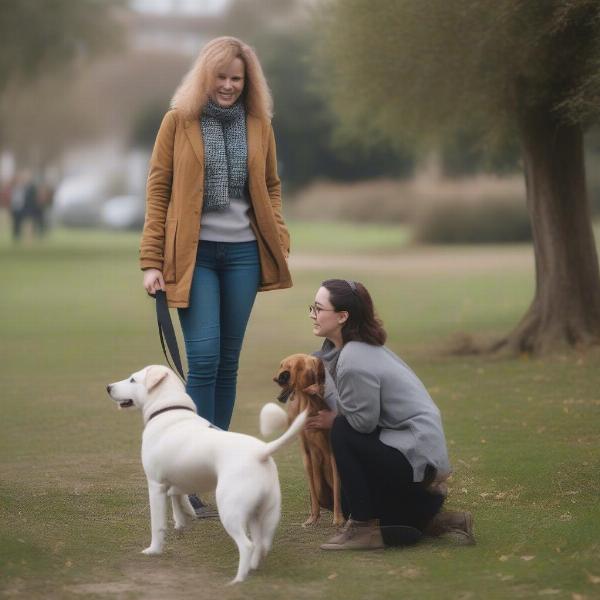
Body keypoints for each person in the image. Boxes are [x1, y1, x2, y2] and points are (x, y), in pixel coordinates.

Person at [140, 36, 291, 433]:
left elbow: (272, 185)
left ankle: (219, 457)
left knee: (228, 360)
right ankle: (193, 454)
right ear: (205, 78)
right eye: (220, 77)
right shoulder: (177, 121)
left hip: (244, 255)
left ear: (248, 82)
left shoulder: (260, 125)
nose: (228, 85)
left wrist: (280, 232)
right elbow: (158, 190)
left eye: (237, 79)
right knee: (204, 357)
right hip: (194, 257)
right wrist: (151, 261)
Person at [306, 279, 474, 550]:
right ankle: (437, 518)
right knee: (350, 503)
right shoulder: (354, 348)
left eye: (318, 308)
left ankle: (362, 528)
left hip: (415, 455)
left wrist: (333, 419)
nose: (313, 315)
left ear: (342, 316)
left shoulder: (353, 358)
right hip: (409, 448)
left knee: (342, 431)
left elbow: (362, 423)